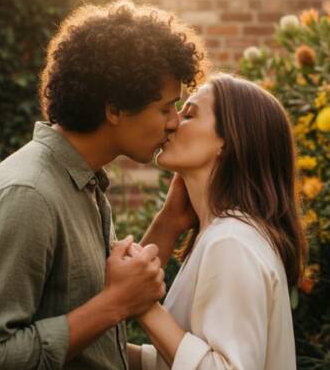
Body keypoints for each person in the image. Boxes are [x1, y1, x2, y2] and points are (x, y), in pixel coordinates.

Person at [0, 0, 207, 370]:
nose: (174, 123)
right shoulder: (27, 195)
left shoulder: (82, 184)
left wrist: (169, 224)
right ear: (114, 109)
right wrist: (115, 303)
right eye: (165, 108)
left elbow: (89, 342)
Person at [129, 74, 307, 370]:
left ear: (227, 141)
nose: (172, 122)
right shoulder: (224, 235)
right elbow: (185, 358)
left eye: (189, 114)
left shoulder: (232, 242)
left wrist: (145, 306)